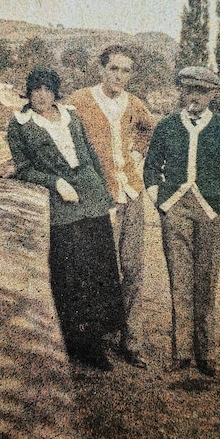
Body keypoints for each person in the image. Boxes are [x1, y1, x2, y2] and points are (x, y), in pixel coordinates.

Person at [7, 66, 124, 371]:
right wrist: (55, 182)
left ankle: (97, 341)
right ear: (28, 92)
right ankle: (75, 342)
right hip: (63, 206)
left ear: (55, 92)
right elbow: (22, 168)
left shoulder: (71, 114)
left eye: (47, 89)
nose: (41, 96)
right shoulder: (19, 125)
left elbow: (91, 156)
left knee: (100, 270)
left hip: (93, 198)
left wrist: (107, 200)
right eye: (35, 90)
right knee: (70, 275)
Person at [143, 66, 220, 375]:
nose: (195, 97)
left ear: (213, 94)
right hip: (175, 207)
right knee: (180, 280)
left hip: (211, 210)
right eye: (189, 90)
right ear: (182, 92)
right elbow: (151, 167)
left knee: (207, 279)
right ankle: (182, 352)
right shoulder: (166, 126)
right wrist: (158, 199)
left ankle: (206, 353)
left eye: (202, 91)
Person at [69, 45, 155, 369]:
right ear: (102, 69)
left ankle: (130, 340)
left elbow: (149, 127)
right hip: (99, 197)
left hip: (131, 193)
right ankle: (99, 337)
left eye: (126, 71)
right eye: (114, 69)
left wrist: (137, 155)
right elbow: (60, 133)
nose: (119, 76)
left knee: (133, 268)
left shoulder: (134, 104)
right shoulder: (80, 100)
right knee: (99, 270)